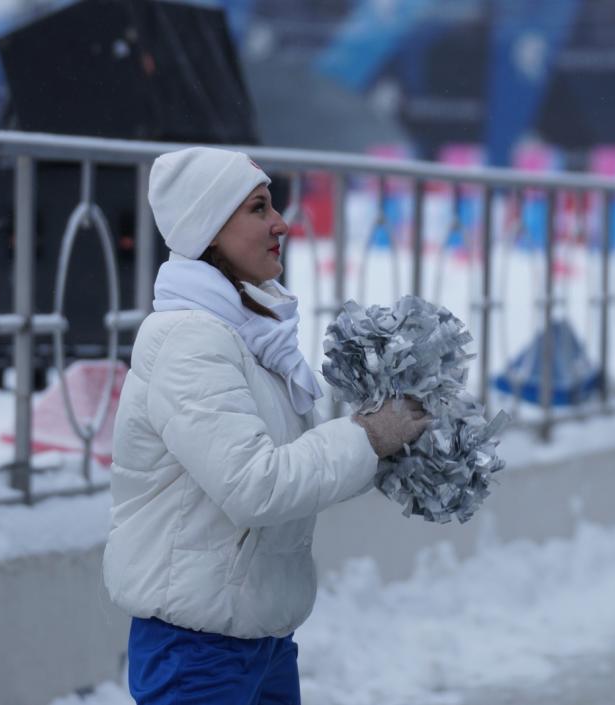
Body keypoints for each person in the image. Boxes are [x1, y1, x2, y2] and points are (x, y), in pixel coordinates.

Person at [103, 147, 427, 705]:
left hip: (261, 639)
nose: (282, 223)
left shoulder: (253, 337)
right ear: (210, 231)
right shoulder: (189, 342)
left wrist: (397, 443)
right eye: (258, 209)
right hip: (196, 653)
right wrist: (368, 436)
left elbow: (297, 469)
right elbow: (256, 486)